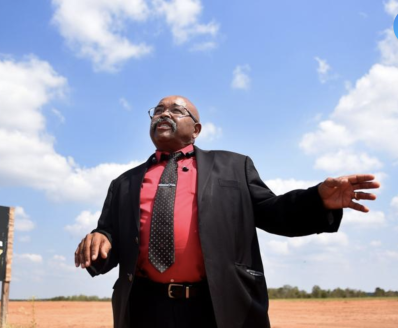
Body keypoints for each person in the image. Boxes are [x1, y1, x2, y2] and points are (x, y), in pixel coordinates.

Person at [74, 95, 379, 328]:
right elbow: (110, 239)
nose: (164, 113)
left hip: (219, 306)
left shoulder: (234, 167)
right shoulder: (124, 183)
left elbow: (275, 213)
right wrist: (100, 239)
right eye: (158, 110)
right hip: (143, 308)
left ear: (196, 129)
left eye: (176, 110)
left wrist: (317, 200)